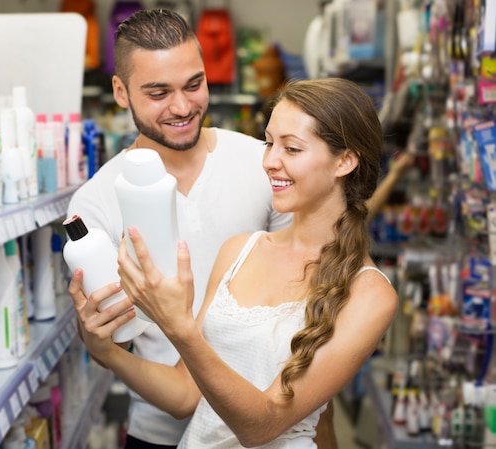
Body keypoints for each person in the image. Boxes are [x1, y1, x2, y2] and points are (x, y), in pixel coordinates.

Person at [69, 77, 399, 448]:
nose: (270, 162)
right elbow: (184, 396)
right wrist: (106, 353)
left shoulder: (369, 295)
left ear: (345, 161)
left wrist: (179, 326)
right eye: (269, 143)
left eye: (291, 149)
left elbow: (263, 425)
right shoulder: (240, 251)